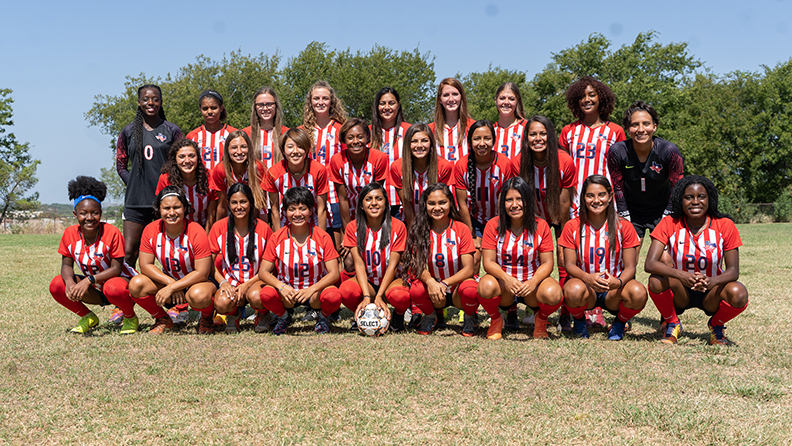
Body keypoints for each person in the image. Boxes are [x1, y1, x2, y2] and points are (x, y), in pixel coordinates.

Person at [644, 175, 748, 345]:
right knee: (655, 280)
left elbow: (733, 271)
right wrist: (682, 275)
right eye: (688, 197)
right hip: (681, 290)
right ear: (680, 199)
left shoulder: (725, 225)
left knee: (739, 293)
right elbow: (650, 264)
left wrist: (712, 281)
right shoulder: (669, 223)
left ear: (710, 199)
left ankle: (716, 325)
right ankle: (671, 322)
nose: (695, 202)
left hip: (711, 291)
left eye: (701, 196)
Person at [559, 175, 647, 340]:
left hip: (613, 290)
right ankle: (579, 321)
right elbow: (569, 265)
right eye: (590, 195)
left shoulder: (624, 226)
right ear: (583, 198)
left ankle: (619, 323)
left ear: (610, 197)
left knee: (638, 292)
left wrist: (618, 282)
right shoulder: (572, 226)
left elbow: (630, 267)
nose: (596, 200)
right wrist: (587, 278)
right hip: (586, 288)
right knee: (572, 290)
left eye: (601, 195)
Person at [49, 176, 139, 334]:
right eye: (83, 213)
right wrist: (70, 283)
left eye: (94, 213)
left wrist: (88, 280)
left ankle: (130, 317)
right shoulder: (69, 234)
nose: (89, 218)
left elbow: (116, 269)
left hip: (120, 287)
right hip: (96, 289)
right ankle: (88, 317)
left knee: (112, 286)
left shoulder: (112, 232)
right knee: (58, 284)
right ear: (75, 214)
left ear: (101, 213)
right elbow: (66, 265)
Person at [477, 177, 563, 340]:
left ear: (528, 201)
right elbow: (488, 262)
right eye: (509, 200)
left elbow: (547, 263)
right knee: (485, 286)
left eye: (519, 199)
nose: (514, 204)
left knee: (554, 293)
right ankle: (496, 320)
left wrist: (533, 281)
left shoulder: (541, 225)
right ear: (502, 202)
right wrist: (506, 279)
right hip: (504, 285)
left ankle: (541, 320)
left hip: (532, 285)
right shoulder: (493, 225)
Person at [514, 115, 577, 330]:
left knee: (562, 257)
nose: (538, 138)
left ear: (551, 136)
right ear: (526, 137)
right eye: (533, 134)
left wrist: (564, 235)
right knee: (530, 257)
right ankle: (531, 308)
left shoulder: (564, 160)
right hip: (531, 218)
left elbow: (564, 199)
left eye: (543, 133)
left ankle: (566, 313)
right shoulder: (518, 161)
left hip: (558, 216)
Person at [128, 186, 217, 334]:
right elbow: (145, 265)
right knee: (136, 284)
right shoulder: (151, 230)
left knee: (198, 295)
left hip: (196, 283)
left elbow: (202, 272)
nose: (171, 213)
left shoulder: (196, 230)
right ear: (159, 209)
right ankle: (163, 318)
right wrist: (170, 283)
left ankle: (206, 317)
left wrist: (173, 287)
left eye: (176, 207)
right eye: (166, 208)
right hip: (169, 281)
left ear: (185, 208)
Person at [257, 187, 342, 335]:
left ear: (310, 211)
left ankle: (323, 317)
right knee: (266, 294)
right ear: (285, 212)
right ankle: (283, 317)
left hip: (314, 293)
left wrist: (312, 289)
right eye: (292, 209)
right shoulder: (277, 237)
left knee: (334, 296)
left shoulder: (322, 237)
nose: (297, 214)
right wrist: (281, 287)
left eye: (302, 209)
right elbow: (263, 272)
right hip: (287, 294)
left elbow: (334, 273)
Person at [116, 84, 182, 268]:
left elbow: (181, 162)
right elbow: (120, 165)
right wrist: (135, 185)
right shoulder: (128, 132)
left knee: (168, 251)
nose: (150, 102)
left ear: (160, 102)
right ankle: (123, 293)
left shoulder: (172, 130)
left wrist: (169, 188)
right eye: (146, 99)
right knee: (129, 251)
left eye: (155, 99)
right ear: (139, 102)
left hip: (164, 200)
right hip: (136, 202)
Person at [608, 100, 684, 255]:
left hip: (662, 209)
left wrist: (668, 214)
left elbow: (678, 185)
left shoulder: (669, 151)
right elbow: (617, 185)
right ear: (628, 128)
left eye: (646, 124)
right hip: (632, 211)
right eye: (635, 124)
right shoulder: (617, 151)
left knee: (665, 260)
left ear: (654, 126)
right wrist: (624, 214)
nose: (640, 129)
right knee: (627, 258)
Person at [402, 184, 479, 336]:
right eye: (431, 203)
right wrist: (431, 282)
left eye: (442, 202)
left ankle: (470, 317)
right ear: (425, 205)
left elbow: (469, 269)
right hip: (435, 292)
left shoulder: (461, 229)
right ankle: (432, 316)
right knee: (416, 288)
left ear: (450, 202)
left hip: (457, 289)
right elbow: (416, 264)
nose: (437, 208)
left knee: (471, 288)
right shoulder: (420, 229)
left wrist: (445, 283)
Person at [339, 183, 410, 332]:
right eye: (368, 199)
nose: (374, 203)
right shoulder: (353, 227)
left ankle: (398, 317)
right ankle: (361, 314)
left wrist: (379, 295)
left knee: (401, 295)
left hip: (391, 281)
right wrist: (367, 296)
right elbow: (358, 264)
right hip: (369, 282)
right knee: (347, 290)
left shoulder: (398, 226)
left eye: (379, 198)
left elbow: (393, 265)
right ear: (361, 206)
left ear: (386, 203)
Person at [209, 183, 274, 334]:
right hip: (230, 282)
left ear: (250, 203)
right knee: (221, 303)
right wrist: (223, 283)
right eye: (234, 202)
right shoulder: (219, 227)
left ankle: (263, 314)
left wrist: (247, 285)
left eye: (243, 202)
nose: (239, 207)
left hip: (257, 281)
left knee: (257, 296)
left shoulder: (264, 228)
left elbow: (269, 266)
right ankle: (234, 315)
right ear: (228, 204)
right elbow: (209, 264)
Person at [328, 118, 389, 271]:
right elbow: (342, 198)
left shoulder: (379, 158)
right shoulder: (337, 160)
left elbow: (377, 197)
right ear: (344, 140)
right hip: (348, 215)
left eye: (360, 137)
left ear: (367, 138)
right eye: (350, 137)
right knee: (349, 260)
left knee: (376, 256)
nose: (356, 141)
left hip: (373, 212)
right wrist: (348, 235)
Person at [454, 120, 513, 273]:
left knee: (500, 260)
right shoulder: (461, 165)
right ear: (470, 141)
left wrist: (501, 228)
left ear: (493, 140)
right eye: (476, 139)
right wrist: (471, 234)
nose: (482, 143)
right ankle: (470, 292)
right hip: (475, 221)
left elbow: (506, 199)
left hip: (499, 220)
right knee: (473, 259)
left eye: (487, 138)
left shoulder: (504, 164)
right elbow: (462, 204)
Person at [558, 76, 625, 210]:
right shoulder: (568, 131)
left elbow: (621, 170)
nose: (587, 100)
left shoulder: (615, 131)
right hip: (575, 199)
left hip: (604, 198)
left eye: (592, 95)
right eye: (582, 96)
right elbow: (562, 168)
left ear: (601, 98)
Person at [302, 81, 347, 245]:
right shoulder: (303, 131)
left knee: (337, 245)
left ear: (331, 101)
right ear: (310, 102)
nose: (320, 102)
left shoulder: (341, 129)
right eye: (316, 98)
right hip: (310, 192)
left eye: (325, 98)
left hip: (335, 194)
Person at [262, 127, 329, 232]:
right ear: (283, 150)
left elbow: (321, 209)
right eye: (290, 147)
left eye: (300, 146)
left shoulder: (319, 170)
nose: (295, 151)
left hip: (313, 224)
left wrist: (321, 238)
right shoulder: (273, 173)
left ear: (307, 150)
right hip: (286, 224)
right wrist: (278, 237)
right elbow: (274, 210)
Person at [389, 123, 453, 228]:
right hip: (409, 220)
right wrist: (414, 232)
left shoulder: (444, 166)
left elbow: (441, 203)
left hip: (436, 220)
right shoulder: (397, 167)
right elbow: (407, 205)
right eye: (414, 141)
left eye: (424, 141)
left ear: (431, 143)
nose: (419, 145)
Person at [156, 139, 217, 231]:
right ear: (175, 160)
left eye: (191, 156)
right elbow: (162, 210)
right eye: (182, 157)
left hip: (203, 228)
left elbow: (211, 214)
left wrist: (205, 239)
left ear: (198, 158)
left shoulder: (210, 177)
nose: (187, 160)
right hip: (176, 229)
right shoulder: (166, 179)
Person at [370, 87, 411, 218]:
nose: (387, 107)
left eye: (391, 103)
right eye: (382, 103)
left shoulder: (409, 131)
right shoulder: (367, 133)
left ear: (398, 105)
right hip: (375, 202)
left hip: (403, 201)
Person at [208, 130, 267, 221]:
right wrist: (219, 229)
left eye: (243, 147)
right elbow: (222, 204)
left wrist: (262, 228)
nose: (239, 152)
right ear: (227, 150)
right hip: (230, 217)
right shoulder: (221, 170)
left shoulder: (258, 168)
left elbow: (261, 204)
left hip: (252, 218)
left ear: (249, 148)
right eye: (234, 147)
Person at [186, 90, 237, 172]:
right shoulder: (192, 136)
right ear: (200, 110)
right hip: (202, 182)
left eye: (213, 108)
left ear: (221, 108)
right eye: (205, 108)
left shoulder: (233, 134)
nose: (209, 112)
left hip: (226, 182)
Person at [242, 86, 289, 172]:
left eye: (269, 104)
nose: (265, 108)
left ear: (276, 105)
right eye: (260, 105)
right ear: (255, 107)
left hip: (280, 183)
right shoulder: (245, 134)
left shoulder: (287, 133)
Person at [429, 78, 476, 163]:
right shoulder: (430, 129)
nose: (451, 99)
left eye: (455, 94)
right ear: (440, 99)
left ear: (461, 97)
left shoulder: (473, 127)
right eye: (446, 95)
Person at [493, 82, 527, 159]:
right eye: (502, 98)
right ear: (496, 100)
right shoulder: (490, 130)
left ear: (517, 102)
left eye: (511, 99)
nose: (506, 102)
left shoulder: (527, 127)